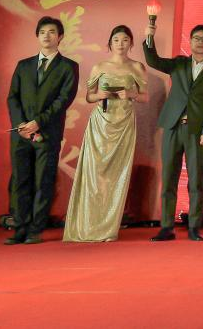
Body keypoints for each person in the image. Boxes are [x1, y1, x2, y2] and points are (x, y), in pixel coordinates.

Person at [63, 25, 147, 242]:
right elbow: (89, 96)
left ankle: (108, 228)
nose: (121, 44)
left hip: (124, 124)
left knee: (116, 176)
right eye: (116, 40)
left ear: (131, 43)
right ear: (109, 43)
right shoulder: (99, 67)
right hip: (100, 125)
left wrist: (131, 94)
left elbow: (145, 96)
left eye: (125, 40)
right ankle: (87, 226)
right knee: (94, 174)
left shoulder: (137, 67)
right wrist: (99, 94)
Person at [143, 21, 203, 242]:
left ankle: (194, 227)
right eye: (196, 38)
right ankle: (166, 227)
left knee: (196, 180)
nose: (200, 42)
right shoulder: (179, 63)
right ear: (190, 41)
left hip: (197, 131)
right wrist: (149, 37)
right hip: (173, 126)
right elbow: (153, 60)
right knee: (169, 177)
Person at [5, 16, 79, 245]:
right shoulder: (23, 65)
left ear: (60, 37)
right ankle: (19, 227)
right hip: (21, 134)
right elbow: (12, 97)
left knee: (43, 181)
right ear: (37, 36)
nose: (47, 36)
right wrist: (21, 124)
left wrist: (38, 122)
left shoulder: (68, 67)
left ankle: (35, 230)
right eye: (43, 32)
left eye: (52, 32)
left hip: (47, 133)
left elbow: (63, 100)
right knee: (20, 180)